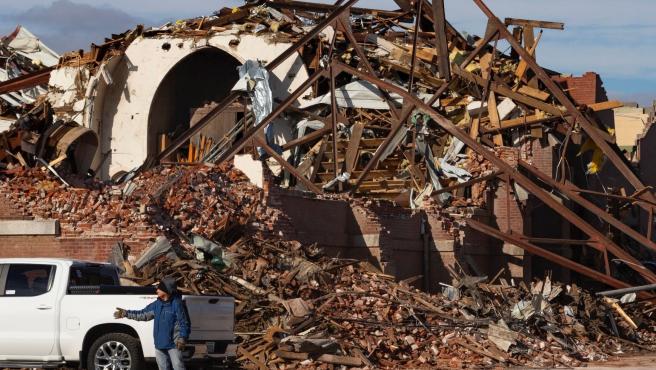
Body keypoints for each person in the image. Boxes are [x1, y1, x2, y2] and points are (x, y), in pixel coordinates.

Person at [114, 277, 190, 370]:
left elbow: (184, 323)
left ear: (167, 290)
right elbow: (142, 314)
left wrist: (182, 338)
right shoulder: (156, 304)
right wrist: (126, 313)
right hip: (159, 344)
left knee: (178, 367)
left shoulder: (177, 304)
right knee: (163, 368)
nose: (157, 290)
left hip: (174, 344)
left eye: (160, 288)